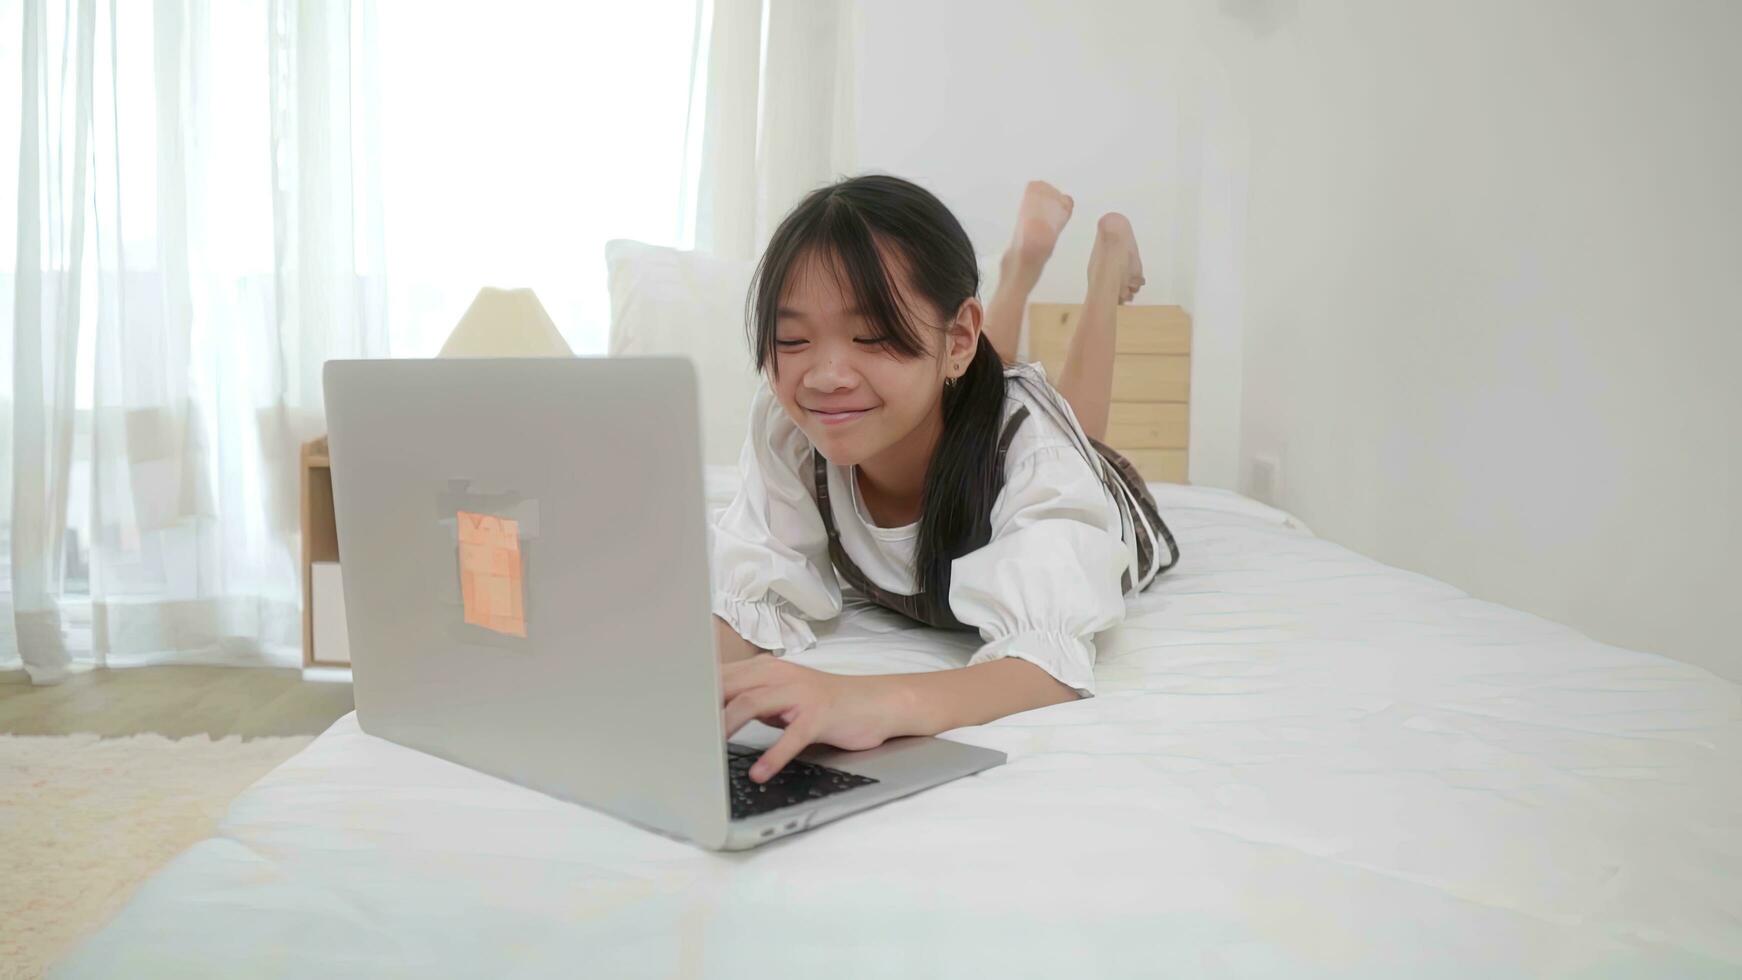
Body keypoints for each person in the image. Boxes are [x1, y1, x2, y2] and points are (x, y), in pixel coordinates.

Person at [711, 175, 1177, 782]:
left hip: (1079, 473)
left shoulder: (1037, 454)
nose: (825, 376)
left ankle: (1105, 269)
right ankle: (1021, 265)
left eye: (872, 335)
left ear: (961, 336)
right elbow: (752, 594)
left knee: (1072, 427)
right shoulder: (790, 429)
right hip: (962, 403)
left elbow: (1047, 664)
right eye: (791, 338)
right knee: (954, 388)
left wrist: (870, 701)